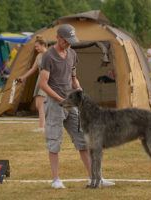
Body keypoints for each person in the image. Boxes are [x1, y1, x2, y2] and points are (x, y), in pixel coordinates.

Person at [40, 24, 115, 189]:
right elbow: (43, 84)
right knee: (55, 142)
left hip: (72, 105)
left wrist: (79, 89)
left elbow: (73, 78)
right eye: (67, 41)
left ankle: (95, 178)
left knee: (83, 141)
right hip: (55, 104)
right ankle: (56, 180)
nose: (69, 44)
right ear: (58, 37)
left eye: (71, 41)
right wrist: (60, 99)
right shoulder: (48, 56)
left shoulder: (72, 54)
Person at [18, 36, 47, 132]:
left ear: (43, 45)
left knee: (40, 104)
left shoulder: (49, 55)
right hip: (40, 79)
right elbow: (33, 69)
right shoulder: (38, 56)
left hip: (47, 80)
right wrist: (23, 77)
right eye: (35, 47)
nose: (36, 49)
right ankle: (43, 126)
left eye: (37, 46)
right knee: (38, 104)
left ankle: (42, 127)